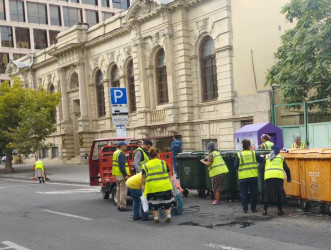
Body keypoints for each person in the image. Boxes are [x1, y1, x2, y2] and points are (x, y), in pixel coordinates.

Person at [142, 147, 176, 223]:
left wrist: (143, 186)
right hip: (165, 186)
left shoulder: (146, 165)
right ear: (158, 154)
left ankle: (156, 218)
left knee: (154, 202)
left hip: (152, 188)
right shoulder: (163, 163)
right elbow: (169, 174)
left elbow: (143, 176)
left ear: (149, 155)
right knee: (167, 201)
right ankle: (168, 216)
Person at [234, 139, 265, 213]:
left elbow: (235, 166)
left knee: (244, 194)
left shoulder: (239, 154)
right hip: (253, 177)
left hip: (243, 178)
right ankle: (253, 208)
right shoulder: (253, 153)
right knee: (253, 194)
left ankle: (245, 209)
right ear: (248, 146)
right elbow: (262, 160)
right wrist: (262, 159)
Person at [262, 145, 291, 216]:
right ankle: (279, 210)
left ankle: (265, 210)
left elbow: (262, 167)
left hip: (268, 177)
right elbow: (287, 169)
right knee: (279, 194)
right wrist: (289, 178)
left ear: (271, 150)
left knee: (267, 193)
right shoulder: (281, 157)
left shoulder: (267, 157)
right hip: (278, 177)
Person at [112, 141, 132, 211]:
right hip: (121, 174)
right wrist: (125, 174)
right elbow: (121, 165)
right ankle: (123, 206)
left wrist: (124, 156)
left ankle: (118, 205)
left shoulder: (115, 153)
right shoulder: (121, 154)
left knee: (118, 190)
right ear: (121, 146)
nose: (126, 146)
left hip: (117, 174)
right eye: (125, 145)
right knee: (123, 191)